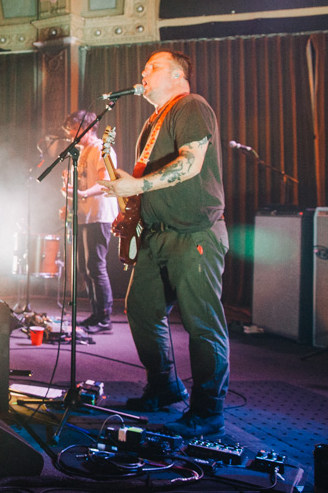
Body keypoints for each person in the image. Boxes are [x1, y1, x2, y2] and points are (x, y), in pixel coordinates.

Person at [99, 50, 229, 438]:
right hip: (156, 236)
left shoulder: (190, 105)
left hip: (194, 232)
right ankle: (165, 386)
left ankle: (208, 410)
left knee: (202, 322)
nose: (142, 74)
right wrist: (130, 195)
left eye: (151, 68)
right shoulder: (152, 121)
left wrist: (136, 185)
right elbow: (156, 179)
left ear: (175, 73)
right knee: (141, 309)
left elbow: (190, 163)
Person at [62, 110, 119, 334]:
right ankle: (96, 314)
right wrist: (71, 191)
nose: (71, 134)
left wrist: (83, 194)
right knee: (86, 268)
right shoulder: (81, 151)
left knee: (96, 266)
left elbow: (107, 181)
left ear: (88, 127)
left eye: (74, 129)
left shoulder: (101, 148)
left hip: (100, 214)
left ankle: (104, 318)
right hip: (86, 214)